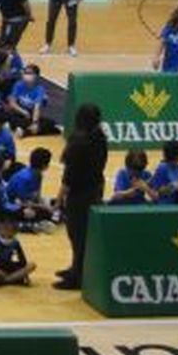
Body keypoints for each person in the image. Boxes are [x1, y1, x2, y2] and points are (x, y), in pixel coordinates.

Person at [54, 103, 107, 290]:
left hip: (79, 194)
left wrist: (59, 198)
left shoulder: (78, 142)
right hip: (95, 188)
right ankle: (76, 268)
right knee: (82, 235)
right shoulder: (100, 137)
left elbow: (69, 176)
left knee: (77, 235)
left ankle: (78, 277)